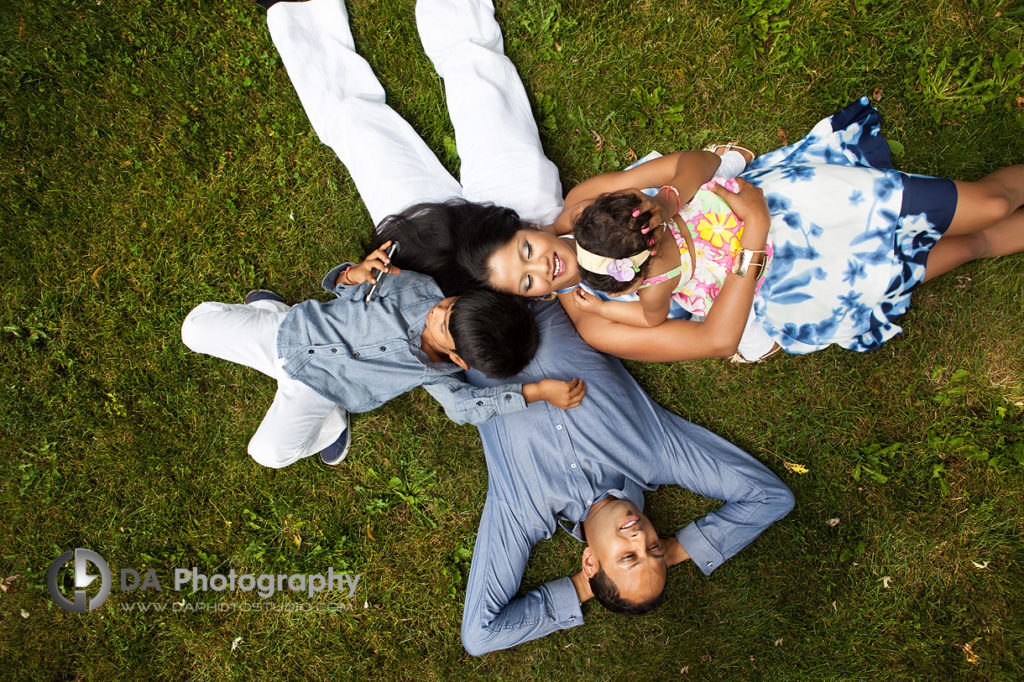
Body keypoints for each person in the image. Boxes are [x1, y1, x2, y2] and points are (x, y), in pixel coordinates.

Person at [458, 298, 794, 655]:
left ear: (590, 562)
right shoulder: (655, 453)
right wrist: (679, 549)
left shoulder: (522, 511)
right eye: (652, 548)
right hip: (541, 285)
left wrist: (583, 588)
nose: (639, 536)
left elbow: (481, 634)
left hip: (463, 312)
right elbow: (770, 497)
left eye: (628, 557)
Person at [180, 244, 585, 468]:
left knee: (267, 455)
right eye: (451, 304)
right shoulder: (416, 288)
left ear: (459, 361)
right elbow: (348, 289)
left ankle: (333, 424)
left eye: (442, 327)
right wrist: (352, 274)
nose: (436, 311)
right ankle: (272, 310)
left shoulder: (436, 374)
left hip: (317, 391)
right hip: (289, 331)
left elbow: (466, 408)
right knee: (193, 328)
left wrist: (537, 391)